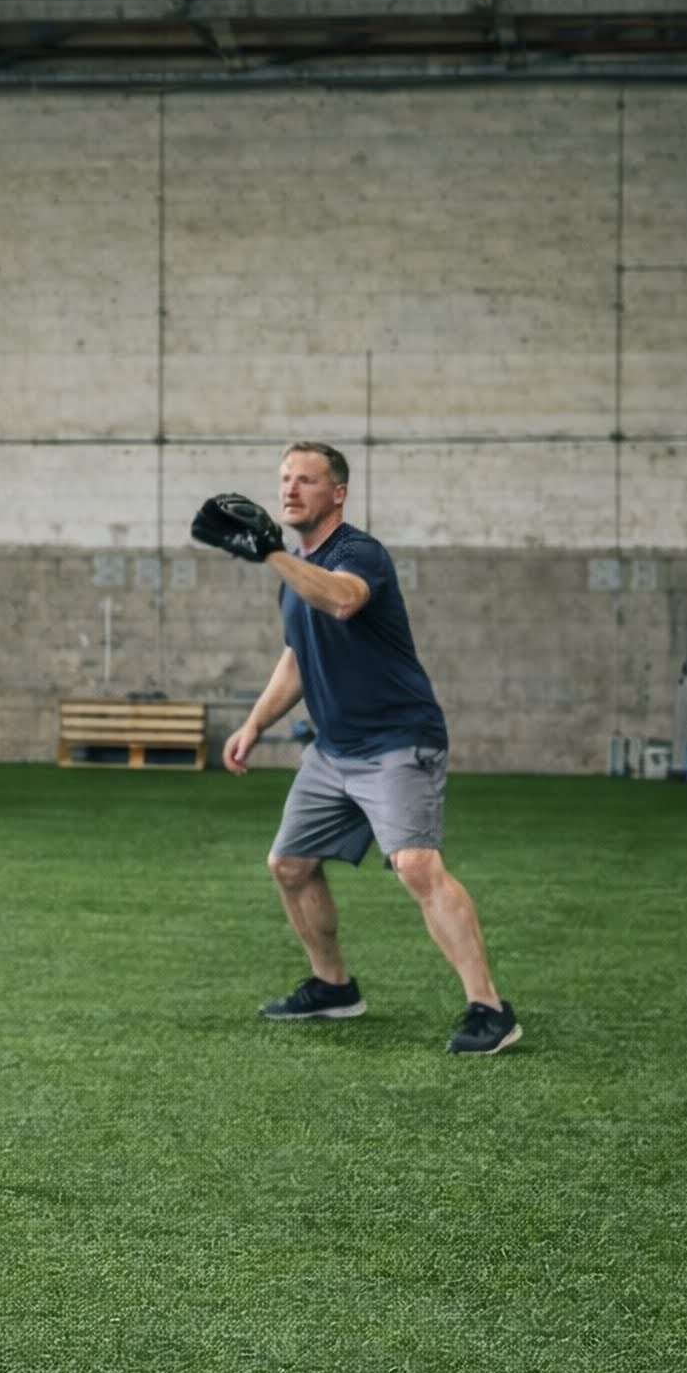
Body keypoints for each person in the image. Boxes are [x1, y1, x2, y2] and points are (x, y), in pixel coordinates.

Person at [215, 442, 519, 1057]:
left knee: (416, 866)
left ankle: (490, 1009)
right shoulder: (294, 573)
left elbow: (343, 599)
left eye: (306, 480)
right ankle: (333, 987)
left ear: (338, 493)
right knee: (290, 865)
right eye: (284, 479)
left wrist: (272, 550)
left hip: (398, 742)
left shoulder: (358, 553)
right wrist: (254, 724)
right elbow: (299, 658)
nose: (290, 490)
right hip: (334, 752)